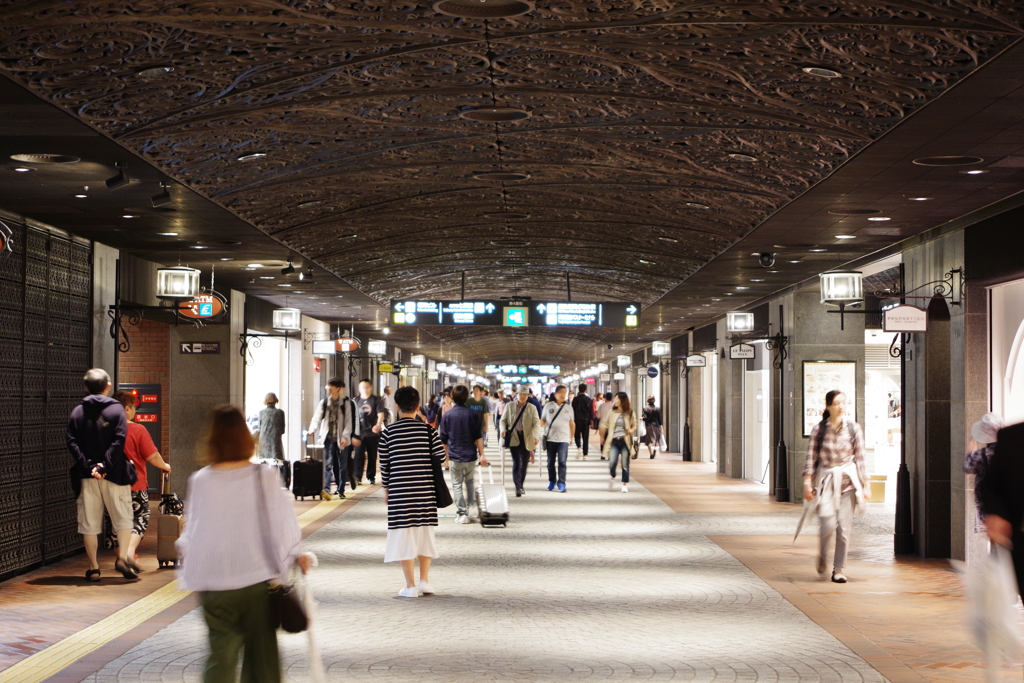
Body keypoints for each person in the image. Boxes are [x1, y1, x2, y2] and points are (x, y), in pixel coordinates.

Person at [177, 405, 313, 683]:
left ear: (211, 439)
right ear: (246, 437)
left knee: (220, 657)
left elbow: (192, 533)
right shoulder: (264, 476)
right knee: (262, 660)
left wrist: (190, 571)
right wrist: (294, 556)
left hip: (213, 585)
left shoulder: (199, 480)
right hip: (256, 583)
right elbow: (283, 526)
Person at [67, 368, 138, 581]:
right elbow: (119, 441)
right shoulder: (117, 411)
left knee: (89, 522)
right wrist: (105, 465)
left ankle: (94, 567)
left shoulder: (77, 412)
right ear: (107, 386)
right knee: (123, 518)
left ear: (86, 387)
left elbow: (72, 441)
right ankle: (122, 559)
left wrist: (90, 467)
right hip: (115, 474)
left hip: (88, 477)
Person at [380, 386, 446, 597]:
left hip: (400, 492)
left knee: (403, 536)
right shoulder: (428, 431)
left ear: (397, 407)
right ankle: (425, 581)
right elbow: (441, 458)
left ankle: (410, 586)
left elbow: (385, 465)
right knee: (424, 534)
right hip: (425, 491)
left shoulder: (388, 433)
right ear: (418, 407)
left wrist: (387, 490)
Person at [802, 390, 869, 584]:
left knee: (843, 528)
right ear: (828, 406)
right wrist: (807, 482)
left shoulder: (853, 428)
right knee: (827, 526)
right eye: (837, 403)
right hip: (826, 483)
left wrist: (866, 485)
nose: (841, 406)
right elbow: (810, 458)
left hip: (848, 484)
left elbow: (861, 457)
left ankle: (838, 569)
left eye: (844, 402)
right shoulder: (819, 430)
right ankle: (822, 554)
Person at [112, 391, 171, 573]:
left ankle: (121, 557)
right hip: (135, 485)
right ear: (128, 409)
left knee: (116, 522)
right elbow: (152, 455)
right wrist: (165, 466)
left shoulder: (106, 430)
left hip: (110, 486)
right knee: (141, 516)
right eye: (134, 409)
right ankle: (129, 552)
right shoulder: (138, 430)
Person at [439, 385, 488, 523]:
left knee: (456, 484)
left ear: (453, 397)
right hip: (470, 455)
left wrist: (445, 457)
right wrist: (482, 454)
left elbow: (443, 439)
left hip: (455, 455)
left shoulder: (447, 415)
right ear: (467, 397)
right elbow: (478, 436)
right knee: (470, 481)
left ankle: (462, 513)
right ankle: (471, 506)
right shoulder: (472, 414)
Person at [307, 379, 356, 499]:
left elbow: (349, 423)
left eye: (331, 387)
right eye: (328, 387)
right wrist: (312, 429)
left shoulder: (346, 403)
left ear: (338, 389)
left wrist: (345, 437)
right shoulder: (324, 403)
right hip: (328, 438)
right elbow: (317, 418)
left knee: (342, 466)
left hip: (342, 439)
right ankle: (326, 489)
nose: (329, 389)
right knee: (328, 464)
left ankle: (341, 489)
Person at [964, 412, 1003, 527]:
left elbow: (968, 468)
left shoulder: (980, 455)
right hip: (1006, 499)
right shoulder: (1010, 451)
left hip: (988, 501)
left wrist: (970, 453)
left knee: (992, 531)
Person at [501, 386, 540, 497]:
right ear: (516, 395)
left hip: (527, 438)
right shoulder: (509, 406)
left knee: (524, 463)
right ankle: (517, 486)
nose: (523, 396)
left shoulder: (532, 408)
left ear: (528, 396)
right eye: (520, 394)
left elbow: (536, 423)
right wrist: (503, 430)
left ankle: (521, 484)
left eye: (525, 394)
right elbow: (503, 420)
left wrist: (536, 435)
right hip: (514, 437)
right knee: (517, 462)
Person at [599, 392, 637, 493]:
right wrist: (602, 436)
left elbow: (635, 425)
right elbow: (605, 423)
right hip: (614, 441)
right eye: (615, 399)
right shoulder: (612, 412)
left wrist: (631, 430)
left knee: (625, 464)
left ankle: (624, 484)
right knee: (612, 462)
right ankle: (613, 476)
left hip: (625, 441)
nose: (615, 401)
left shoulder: (630, 413)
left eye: (617, 399)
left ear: (622, 400)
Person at [540, 385, 575, 493]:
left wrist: (571, 437)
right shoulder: (548, 406)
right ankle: (552, 481)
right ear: (555, 394)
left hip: (563, 439)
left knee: (562, 462)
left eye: (565, 393)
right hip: (550, 438)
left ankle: (561, 483)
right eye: (561, 393)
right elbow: (543, 420)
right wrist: (536, 428)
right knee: (550, 462)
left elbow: (572, 423)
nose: (563, 395)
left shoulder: (569, 408)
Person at [353, 379, 386, 486]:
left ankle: (371, 476)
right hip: (359, 433)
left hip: (372, 433)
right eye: (362, 387)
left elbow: (381, 414)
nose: (364, 389)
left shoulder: (376, 400)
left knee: (372, 455)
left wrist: (378, 425)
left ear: (371, 387)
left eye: (367, 387)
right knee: (358, 455)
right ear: (359, 388)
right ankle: (357, 477)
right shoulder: (355, 400)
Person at [256, 393, 286, 462]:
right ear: (275, 400)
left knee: (263, 461)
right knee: (276, 460)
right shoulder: (280, 412)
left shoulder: (261, 412)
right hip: (275, 439)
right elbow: (282, 430)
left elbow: (259, 427)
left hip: (263, 439)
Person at [571, 384, 593, 460]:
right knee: (585, 438)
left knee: (576, 436)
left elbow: (572, 410)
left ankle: (579, 447)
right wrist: (591, 421)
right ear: (585, 390)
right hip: (586, 422)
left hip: (577, 421)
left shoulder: (575, 399)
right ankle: (585, 455)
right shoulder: (589, 399)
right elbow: (591, 411)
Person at [596, 392, 615, 459]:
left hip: (602, 425)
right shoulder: (614, 406)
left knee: (602, 439)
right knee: (610, 440)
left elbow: (598, 416)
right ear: (612, 398)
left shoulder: (602, 406)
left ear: (605, 398)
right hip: (611, 425)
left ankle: (603, 454)